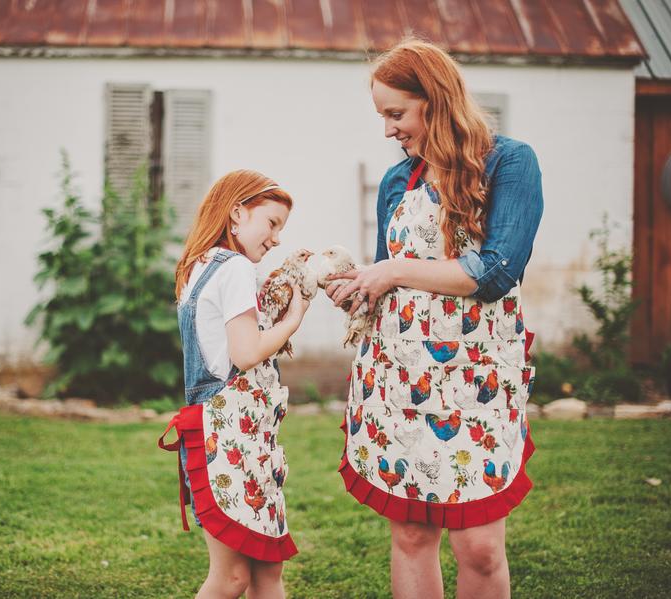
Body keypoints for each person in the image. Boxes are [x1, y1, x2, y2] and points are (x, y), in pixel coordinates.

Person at [328, 37, 543, 599]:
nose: (388, 130)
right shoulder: (399, 182)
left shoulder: (509, 162)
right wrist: (357, 289)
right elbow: (388, 276)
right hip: (399, 377)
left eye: (395, 113)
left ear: (436, 99)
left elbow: (495, 272)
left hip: (477, 377)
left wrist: (392, 270)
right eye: (382, 116)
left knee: (480, 546)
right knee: (413, 535)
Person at [159, 169, 311, 599]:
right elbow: (245, 354)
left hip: (227, 435)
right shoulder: (237, 268)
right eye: (272, 223)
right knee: (234, 578)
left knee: (266, 571)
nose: (277, 237)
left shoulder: (200, 265)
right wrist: (293, 320)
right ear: (238, 213)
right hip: (228, 439)